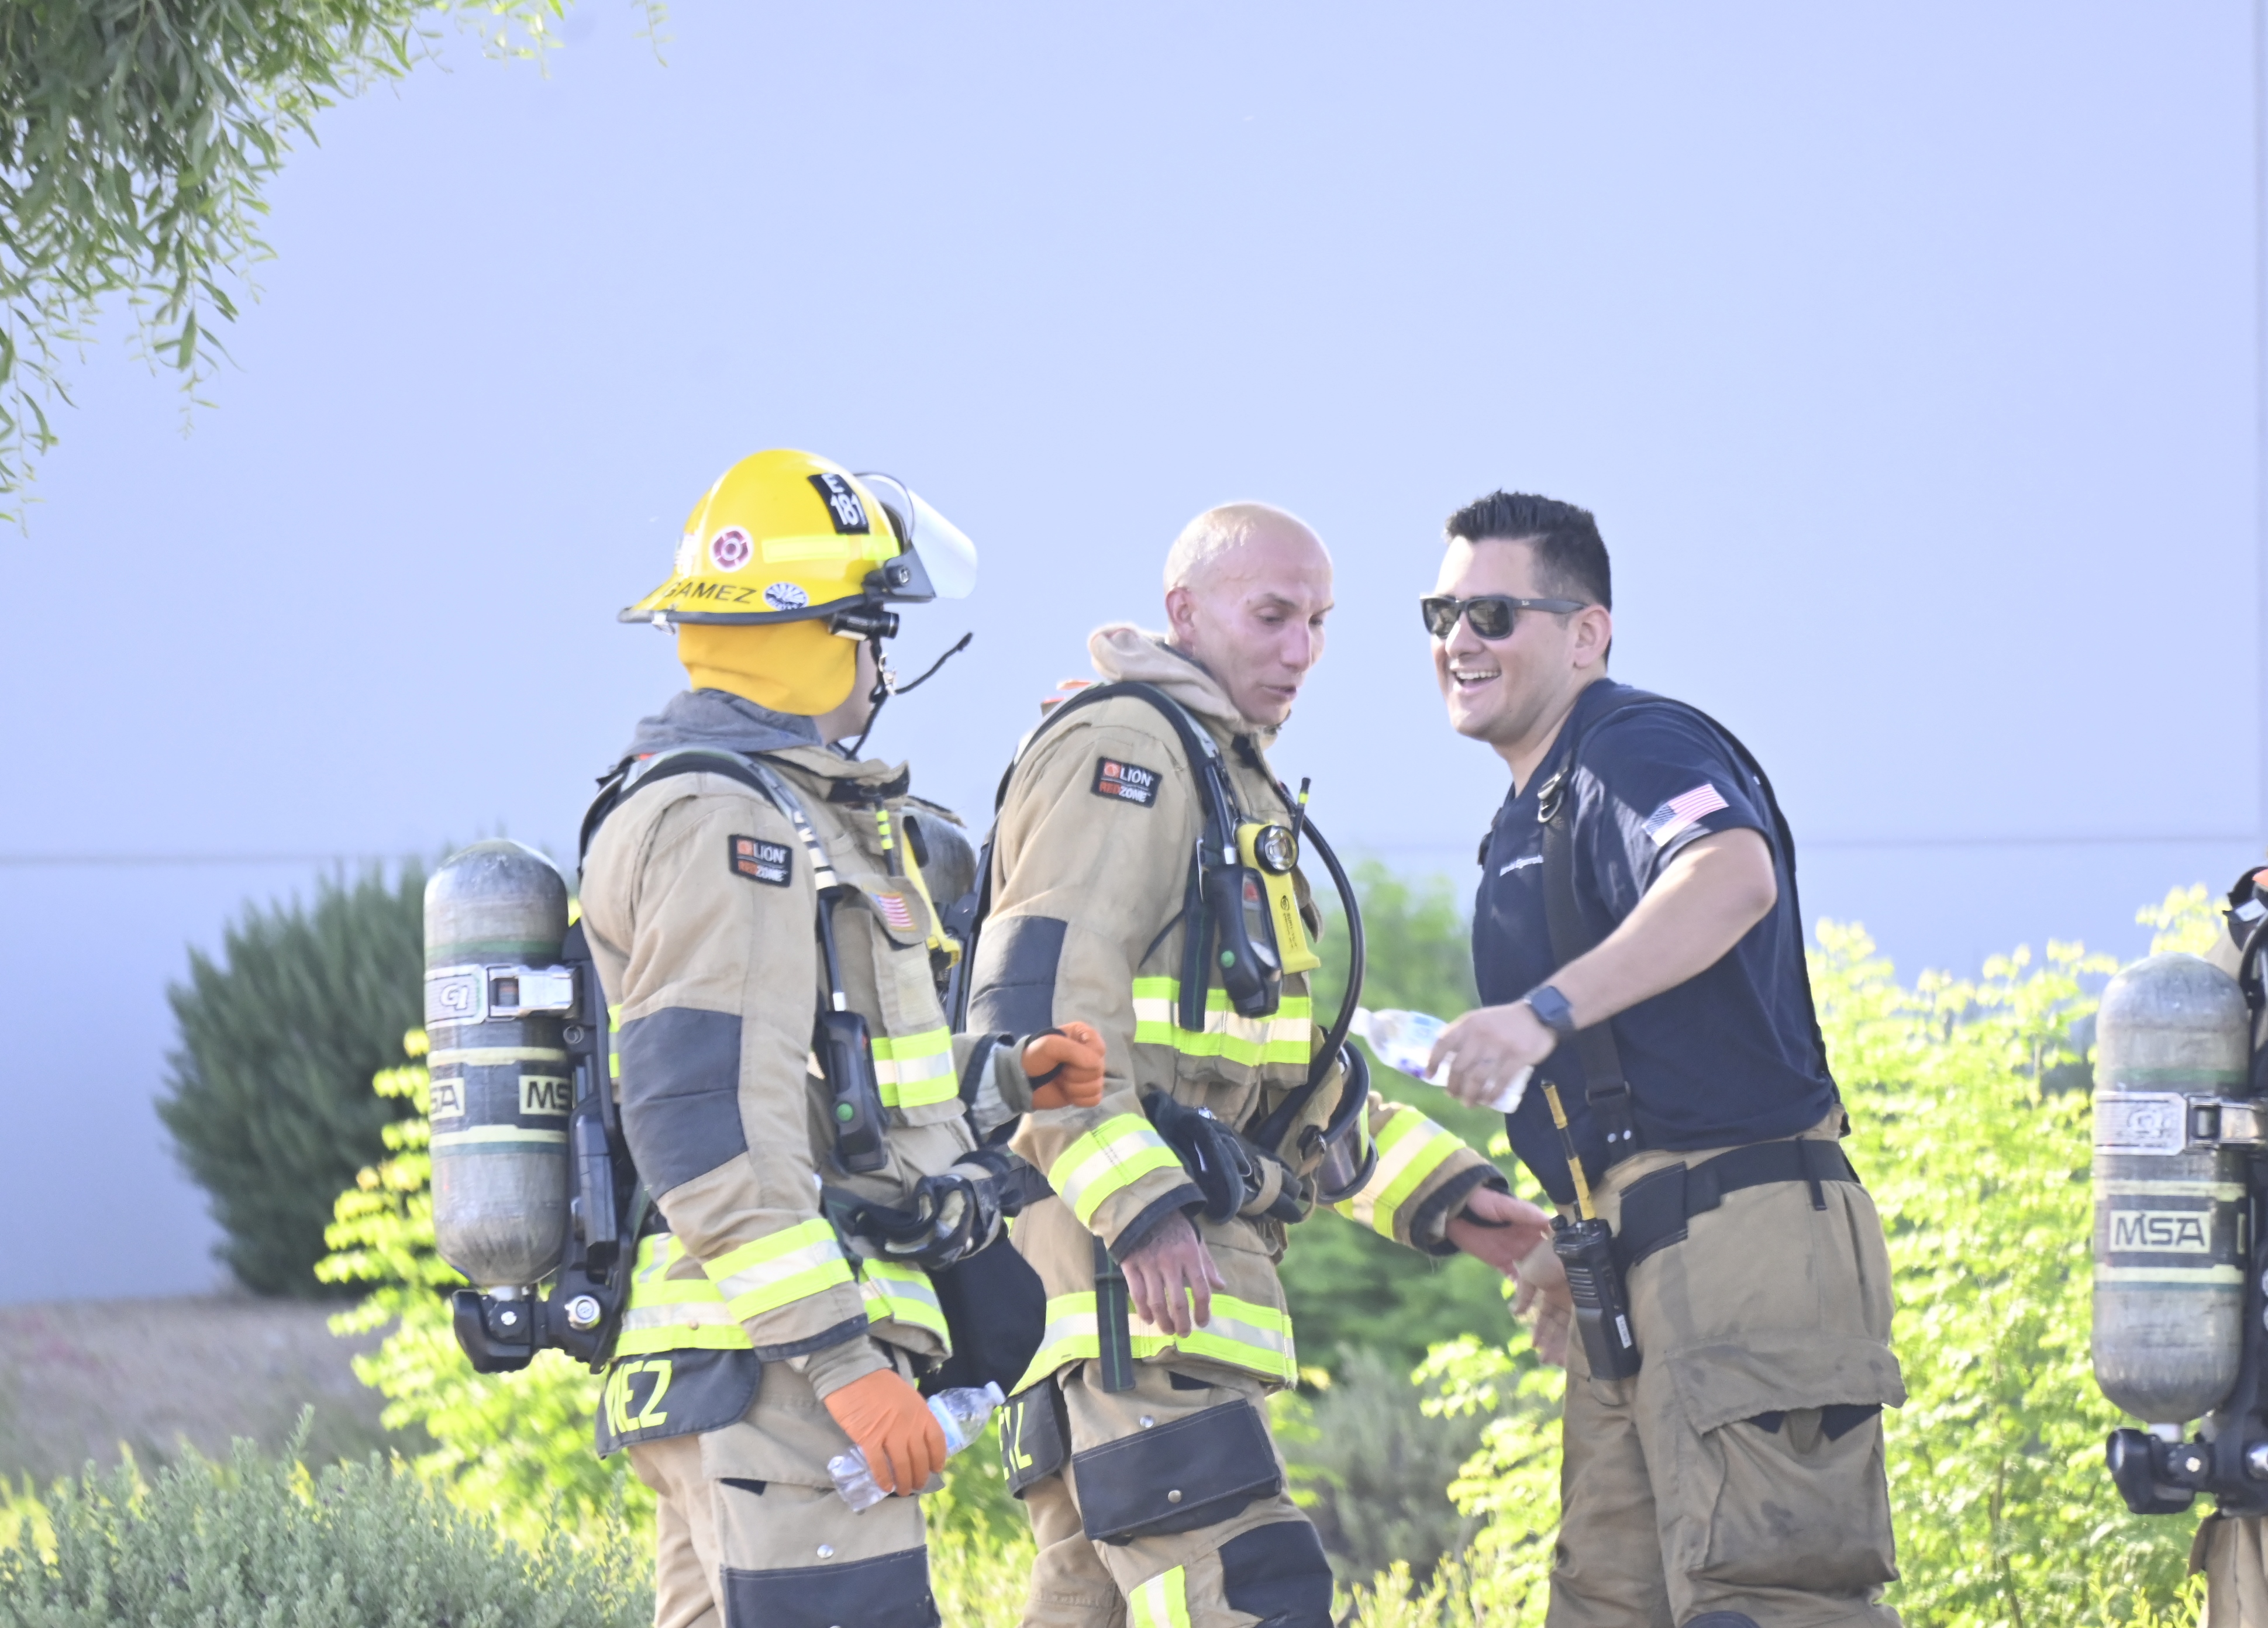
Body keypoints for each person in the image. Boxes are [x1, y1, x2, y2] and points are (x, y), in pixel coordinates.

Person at [966, 500, 1555, 1628]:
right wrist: (1140, 1210)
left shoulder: (1223, 777)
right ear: (1185, 612)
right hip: (1131, 1298)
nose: (1301, 650)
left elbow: (1279, 1088)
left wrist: (1446, 1198)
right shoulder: (1127, 751)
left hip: (1156, 1311)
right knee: (1252, 1596)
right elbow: (1036, 1014)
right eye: (1272, 615)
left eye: (1319, 623)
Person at [578, 449, 1108, 1628]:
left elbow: (824, 1085)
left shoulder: (760, 809)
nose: (881, 671)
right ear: (827, 641)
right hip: (775, 1380)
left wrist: (1001, 1079)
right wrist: (842, 1365)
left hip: (734, 1368)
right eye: (876, 635)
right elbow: (704, 1113)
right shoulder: (729, 824)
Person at [1423, 490, 1905, 1628]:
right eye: (1440, 613)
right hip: (1640, 1255)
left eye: (1493, 613)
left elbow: (1730, 873)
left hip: (1743, 1234)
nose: (1458, 640)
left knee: (1768, 1600)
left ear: (1586, 634)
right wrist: (1584, 1238)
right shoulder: (1532, 808)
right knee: (1605, 1605)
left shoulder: (1632, 745)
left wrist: (1540, 1012)